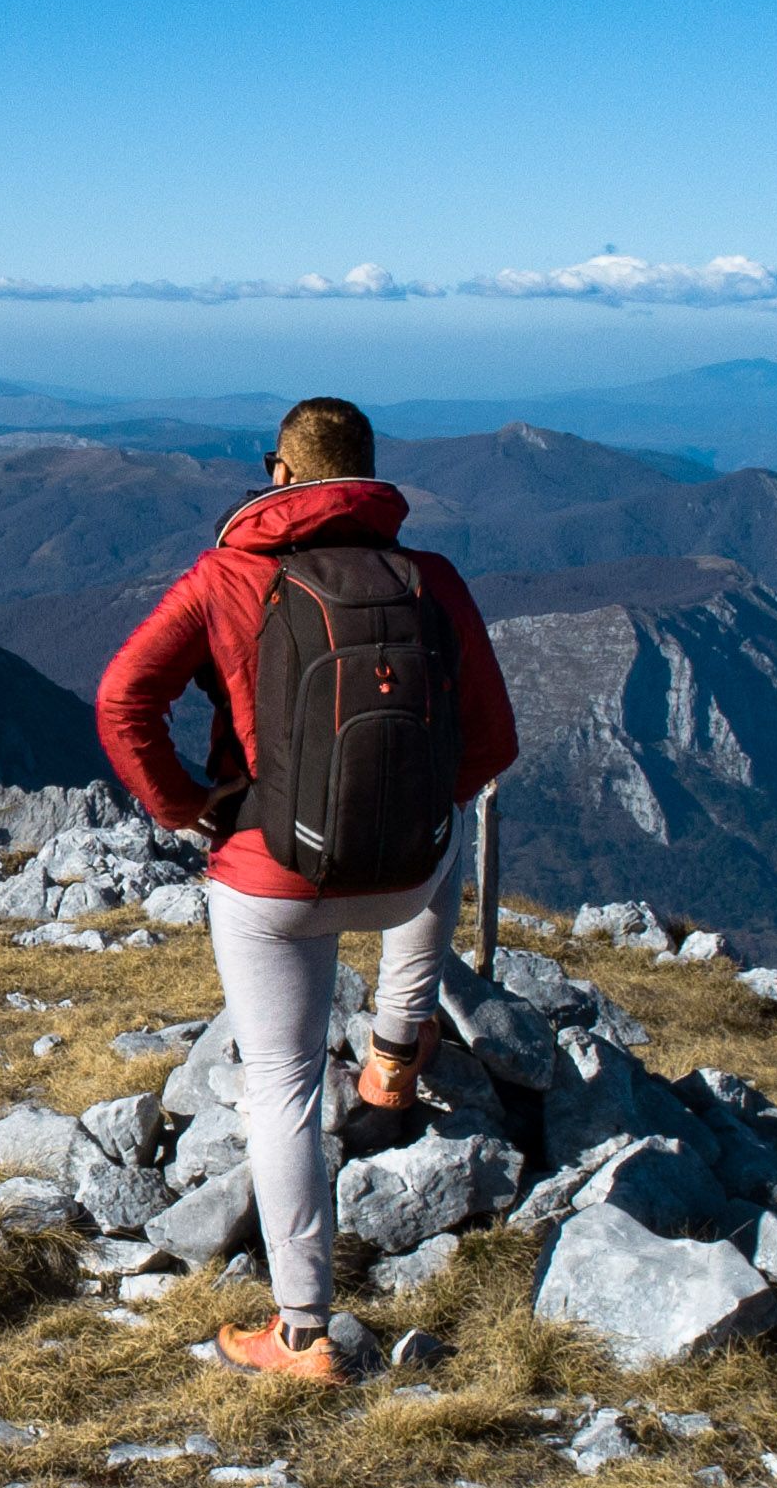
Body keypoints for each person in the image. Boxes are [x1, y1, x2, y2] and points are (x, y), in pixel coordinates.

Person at [89, 394, 519, 1383]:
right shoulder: (432, 580)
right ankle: (393, 1061)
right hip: (406, 877)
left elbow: (123, 697)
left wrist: (184, 807)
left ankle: (302, 1334)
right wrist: (410, 809)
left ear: (280, 473)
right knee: (446, 839)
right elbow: (492, 745)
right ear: (366, 477)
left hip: (270, 879)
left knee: (279, 1085)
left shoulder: (224, 576)